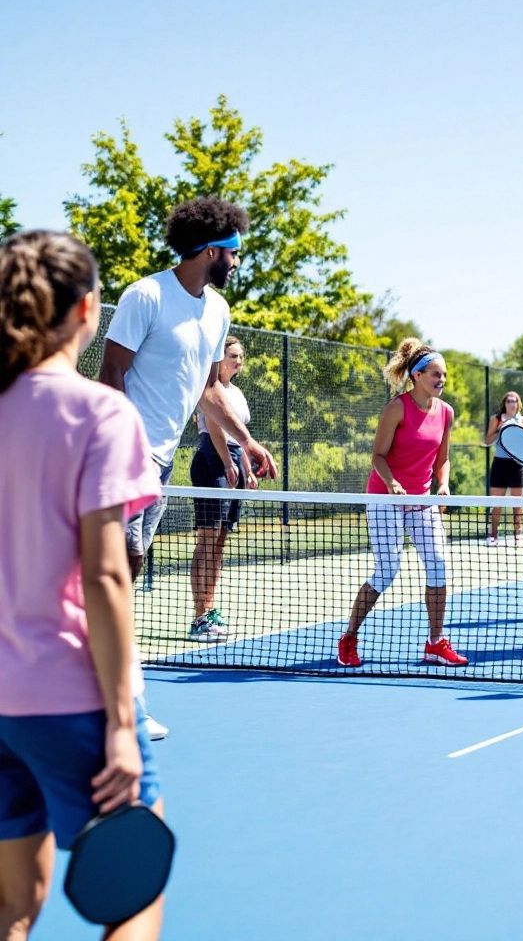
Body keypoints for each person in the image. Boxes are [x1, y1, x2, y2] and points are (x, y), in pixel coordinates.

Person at [0, 230, 166, 938]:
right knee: (135, 899)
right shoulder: (102, 414)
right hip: (69, 699)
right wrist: (123, 727)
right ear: (87, 310)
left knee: (11, 907)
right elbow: (105, 576)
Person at [99, 197, 279, 739]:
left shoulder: (217, 311)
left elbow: (207, 389)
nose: (238, 263)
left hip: (160, 463)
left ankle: (104, 697)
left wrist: (247, 441)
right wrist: (122, 452)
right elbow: (110, 374)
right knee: (118, 578)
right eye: (235, 253)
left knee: (123, 574)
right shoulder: (146, 295)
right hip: (122, 460)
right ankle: (120, 705)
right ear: (209, 250)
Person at [337, 338, 468, 669]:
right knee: (387, 570)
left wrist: (443, 485)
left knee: (438, 564)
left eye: (444, 375)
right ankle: (349, 637)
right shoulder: (396, 408)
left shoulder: (446, 412)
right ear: (418, 376)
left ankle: (436, 642)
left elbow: (443, 459)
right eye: (436, 374)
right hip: (385, 499)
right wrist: (393, 483)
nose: (441, 380)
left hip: (421, 500)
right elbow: (378, 455)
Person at [188, 335, 259, 642]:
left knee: (219, 543)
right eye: (232, 355)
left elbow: (238, 434)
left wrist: (244, 466)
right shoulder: (209, 389)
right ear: (219, 359)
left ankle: (211, 609)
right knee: (206, 540)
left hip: (232, 460)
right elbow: (215, 426)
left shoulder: (238, 393)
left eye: (240, 356)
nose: (237, 360)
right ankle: (199, 617)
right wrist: (227, 464)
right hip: (211, 459)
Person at [485, 391, 523, 544]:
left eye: (515, 401)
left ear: (519, 404)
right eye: (509, 401)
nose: (512, 404)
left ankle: (518, 534)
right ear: (504, 404)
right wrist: (500, 428)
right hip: (500, 464)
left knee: (517, 503)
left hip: (518, 465)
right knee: (496, 503)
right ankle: (493, 535)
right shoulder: (496, 419)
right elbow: (487, 441)